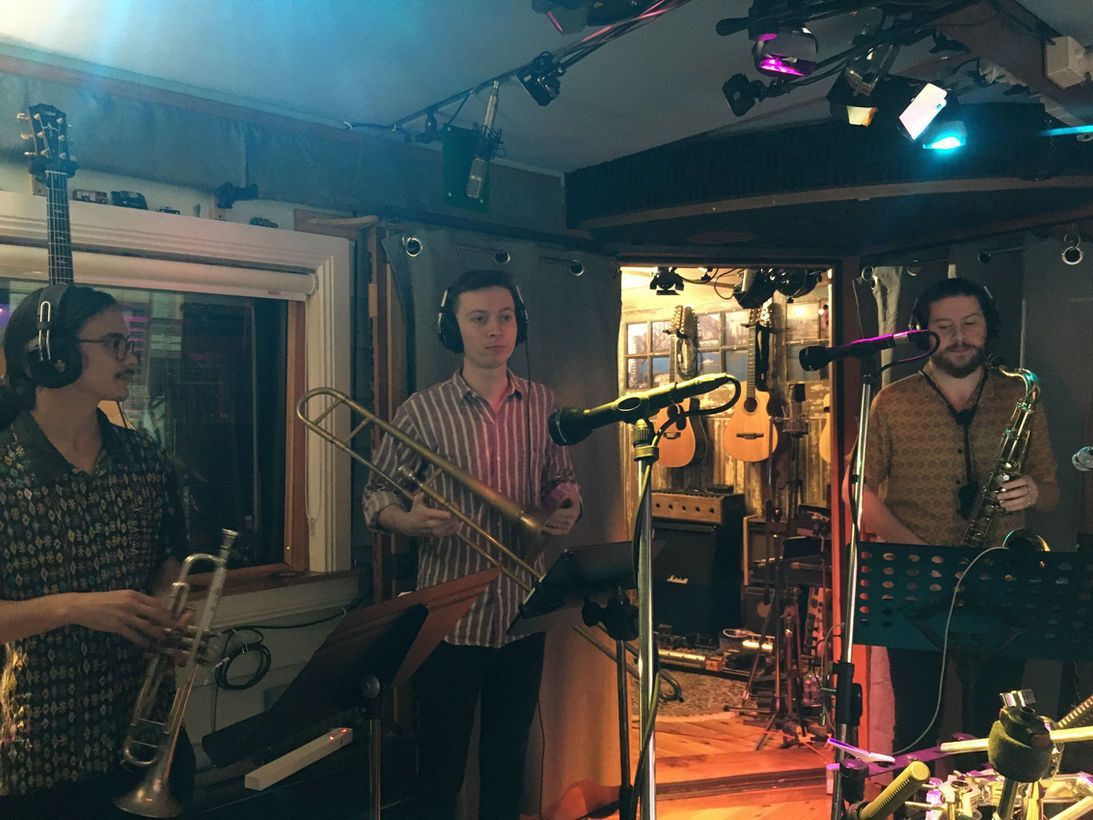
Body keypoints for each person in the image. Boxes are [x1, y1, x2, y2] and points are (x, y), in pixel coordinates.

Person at [362, 268, 581, 819]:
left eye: (505, 317)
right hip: (450, 616)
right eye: (478, 319)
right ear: (452, 328)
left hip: (523, 611)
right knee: (440, 769)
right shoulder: (422, 409)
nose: (494, 330)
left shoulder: (543, 403)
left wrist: (567, 503)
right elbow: (376, 495)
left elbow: (561, 476)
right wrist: (405, 522)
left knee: (508, 763)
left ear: (519, 324)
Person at [0, 285, 193, 817]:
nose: (132, 359)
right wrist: (77, 608)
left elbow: (168, 559)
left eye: (130, 344)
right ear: (53, 354)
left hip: (142, 733)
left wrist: (165, 608)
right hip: (31, 756)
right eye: (115, 344)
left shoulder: (143, 456)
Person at [859, 276, 1060, 754]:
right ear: (923, 332)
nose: (959, 336)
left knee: (999, 726)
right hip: (914, 578)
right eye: (943, 326)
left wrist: (1034, 491)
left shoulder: (1019, 395)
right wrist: (912, 543)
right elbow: (857, 490)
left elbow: (1051, 492)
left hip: (1002, 579)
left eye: (970, 323)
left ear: (989, 328)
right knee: (914, 723)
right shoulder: (893, 401)